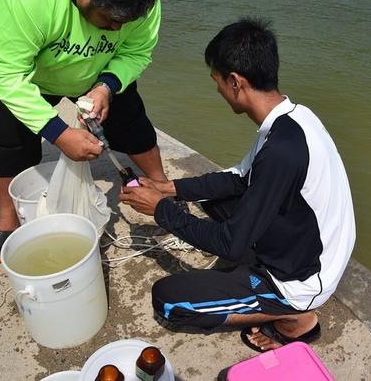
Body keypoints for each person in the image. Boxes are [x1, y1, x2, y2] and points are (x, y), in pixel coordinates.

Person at [119, 19, 356, 352]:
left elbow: (229, 245)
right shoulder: (290, 118)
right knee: (214, 197)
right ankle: (269, 288)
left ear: (235, 82)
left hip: (302, 279)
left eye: (216, 81)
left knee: (168, 301)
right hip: (307, 242)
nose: (216, 90)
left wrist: (159, 210)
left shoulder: (280, 151)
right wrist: (167, 188)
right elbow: (238, 179)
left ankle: (293, 317)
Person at [0, 0, 166, 268]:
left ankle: (163, 188)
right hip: (24, 69)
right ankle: (8, 218)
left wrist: (107, 85)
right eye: (111, 21)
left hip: (97, 68)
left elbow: (137, 51)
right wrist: (58, 133)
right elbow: (5, 74)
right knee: (10, 142)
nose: (118, 30)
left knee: (132, 123)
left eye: (127, 22)